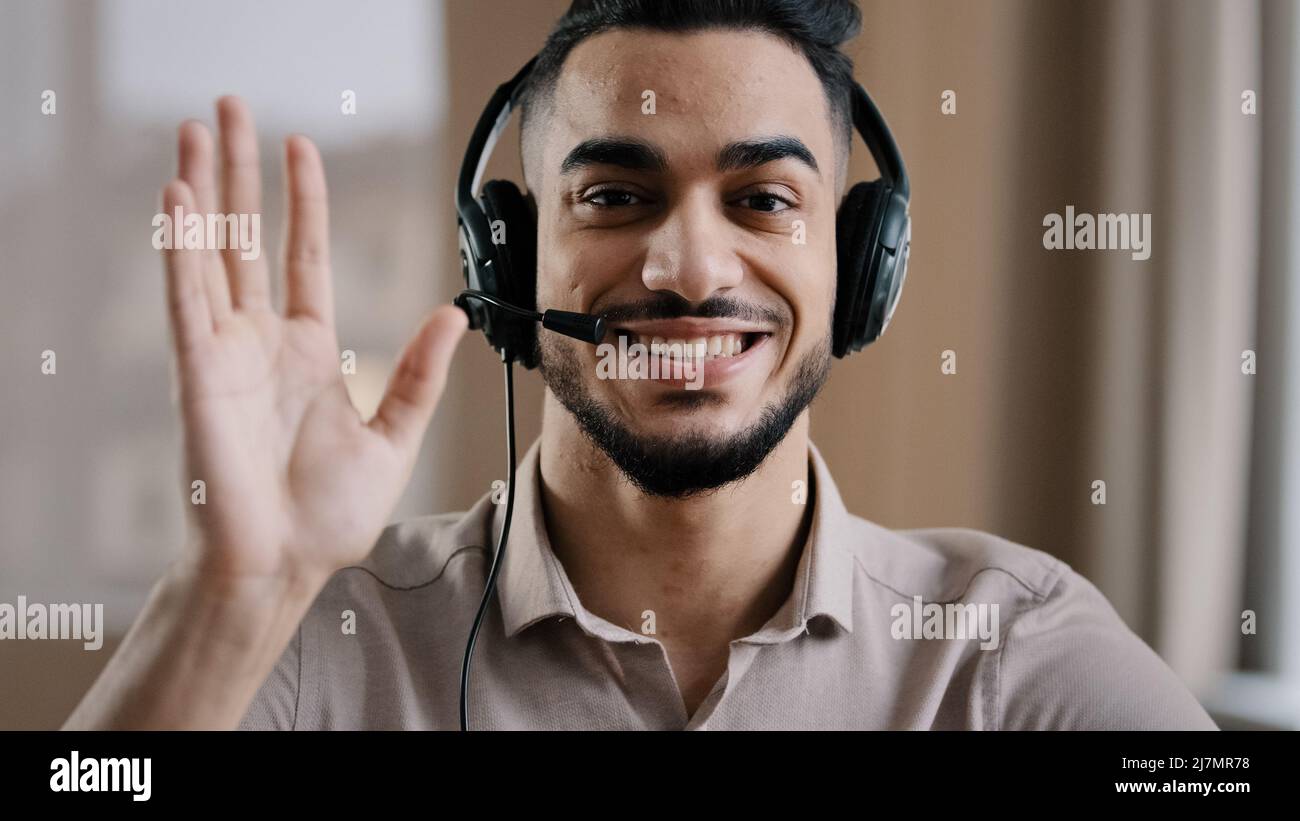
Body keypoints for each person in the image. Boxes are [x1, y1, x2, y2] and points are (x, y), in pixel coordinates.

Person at [66, 0, 1217, 730]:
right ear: (509, 256)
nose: (685, 265)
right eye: (614, 196)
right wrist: (227, 595)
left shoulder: (1006, 646)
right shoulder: (323, 633)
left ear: (861, 261)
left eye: (764, 199)